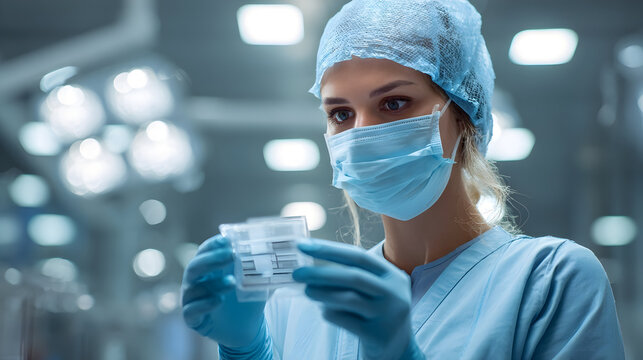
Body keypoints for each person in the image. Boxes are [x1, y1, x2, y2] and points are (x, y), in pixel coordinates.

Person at [181, 0, 626, 359]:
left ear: (464, 115)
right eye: (340, 113)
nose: (361, 134)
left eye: (394, 104)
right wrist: (245, 349)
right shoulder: (297, 305)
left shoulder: (549, 282)